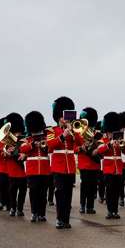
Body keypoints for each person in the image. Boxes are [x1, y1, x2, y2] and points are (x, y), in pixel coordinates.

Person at [46, 97, 83, 229]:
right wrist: (62, 135)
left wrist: (73, 131)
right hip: (58, 166)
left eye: (66, 116)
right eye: (62, 116)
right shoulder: (51, 131)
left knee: (68, 194)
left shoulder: (73, 129)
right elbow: (50, 146)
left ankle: (66, 220)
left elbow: (80, 143)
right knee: (60, 192)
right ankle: (59, 219)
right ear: (58, 117)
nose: (65, 119)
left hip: (70, 167)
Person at [19, 111, 52, 223]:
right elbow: (23, 149)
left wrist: (45, 145)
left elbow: (50, 149)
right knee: (33, 192)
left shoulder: (46, 137)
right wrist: (33, 144)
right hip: (32, 170)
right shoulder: (27, 139)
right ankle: (34, 213)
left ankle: (42, 214)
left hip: (44, 169)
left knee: (43, 193)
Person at [94, 112, 124, 220]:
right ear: (107, 131)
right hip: (108, 168)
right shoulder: (103, 140)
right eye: (110, 132)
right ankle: (110, 211)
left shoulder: (120, 140)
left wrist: (121, 145)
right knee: (110, 191)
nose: (112, 133)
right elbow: (99, 150)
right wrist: (110, 144)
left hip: (118, 168)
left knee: (116, 191)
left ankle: (115, 211)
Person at [77, 107, 101, 215]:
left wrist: (95, 142)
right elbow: (77, 146)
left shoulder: (96, 132)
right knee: (85, 185)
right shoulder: (80, 132)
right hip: (84, 162)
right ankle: (82, 205)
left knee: (92, 186)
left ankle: (90, 206)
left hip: (94, 163)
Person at [3, 113, 27, 218]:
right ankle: (13, 207)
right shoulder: (8, 140)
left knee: (22, 191)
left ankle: (20, 209)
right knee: (12, 190)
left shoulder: (25, 138)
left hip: (23, 169)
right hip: (13, 168)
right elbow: (2, 152)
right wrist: (7, 151)